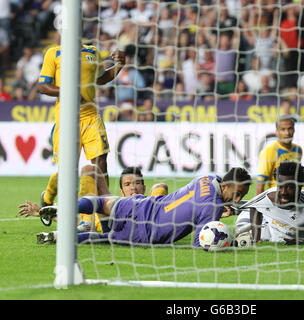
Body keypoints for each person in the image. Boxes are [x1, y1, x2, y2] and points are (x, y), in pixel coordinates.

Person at [38, 167, 251, 247]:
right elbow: (200, 242)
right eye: (237, 193)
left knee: (103, 203)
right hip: (149, 232)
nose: (237, 198)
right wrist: (228, 240)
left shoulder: (207, 177)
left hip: (144, 204)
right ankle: (60, 238)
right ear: (224, 186)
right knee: (105, 238)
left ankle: (65, 209)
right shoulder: (212, 206)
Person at [37, 41, 126, 208]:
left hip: (91, 115)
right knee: (67, 170)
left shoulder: (92, 52)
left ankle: (103, 204)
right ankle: (48, 196)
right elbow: (43, 86)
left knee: (101, 160)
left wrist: (119, 65)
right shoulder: (54, 53)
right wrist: (69, 92)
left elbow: (101, 79)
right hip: (66, 118)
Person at [18, 165, 169, 239]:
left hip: (145, 216)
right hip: (111, 225)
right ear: (122, 192)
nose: (133, 188)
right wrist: (41, 213)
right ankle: (48, 201)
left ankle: (78, 225)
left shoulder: (149, 202)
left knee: (160, 186)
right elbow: (75, 220)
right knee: (88, 169)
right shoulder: (110, 205)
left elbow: (161, 187)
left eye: (136, 183)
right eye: (127, 185)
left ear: (143, 187)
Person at [235, 161, 304, 245]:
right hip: (269, 230)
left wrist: (302, 243)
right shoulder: (269, 197)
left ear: (300, 187)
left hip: (294, 234)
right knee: (238, 234)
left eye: (290, 187)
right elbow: (254, 207)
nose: (283, 192)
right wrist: (256, 238)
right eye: (280, 186)